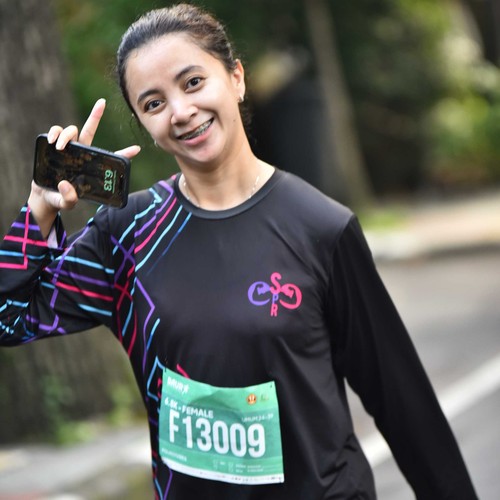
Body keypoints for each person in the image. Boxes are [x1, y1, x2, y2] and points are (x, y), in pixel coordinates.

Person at [0, 4, 477, 499]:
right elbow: (6, 318)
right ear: (144, 125)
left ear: (236, 78)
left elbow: (400, 400)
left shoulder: (321, 228)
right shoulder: (127, 234)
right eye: (154, 103)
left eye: (192, 83)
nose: (181, 112)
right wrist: (39, 212)